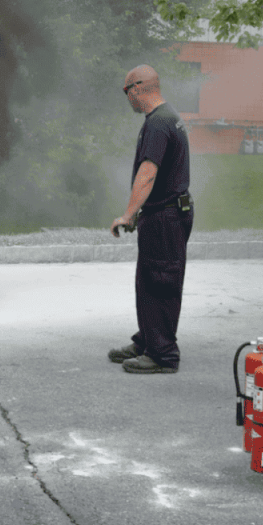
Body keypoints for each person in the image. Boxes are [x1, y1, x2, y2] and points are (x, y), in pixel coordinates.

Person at [107, 65, 194, 374]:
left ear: (138, 88)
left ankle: (163, 355)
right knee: (148, 281)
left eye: (126, 90)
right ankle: (148, 341)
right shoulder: (165, 116)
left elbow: (148, 173)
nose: (126, 97)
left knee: (160, 282)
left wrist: (128, 214)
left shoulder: (158, 124)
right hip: (166, 214)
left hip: (165, 216)